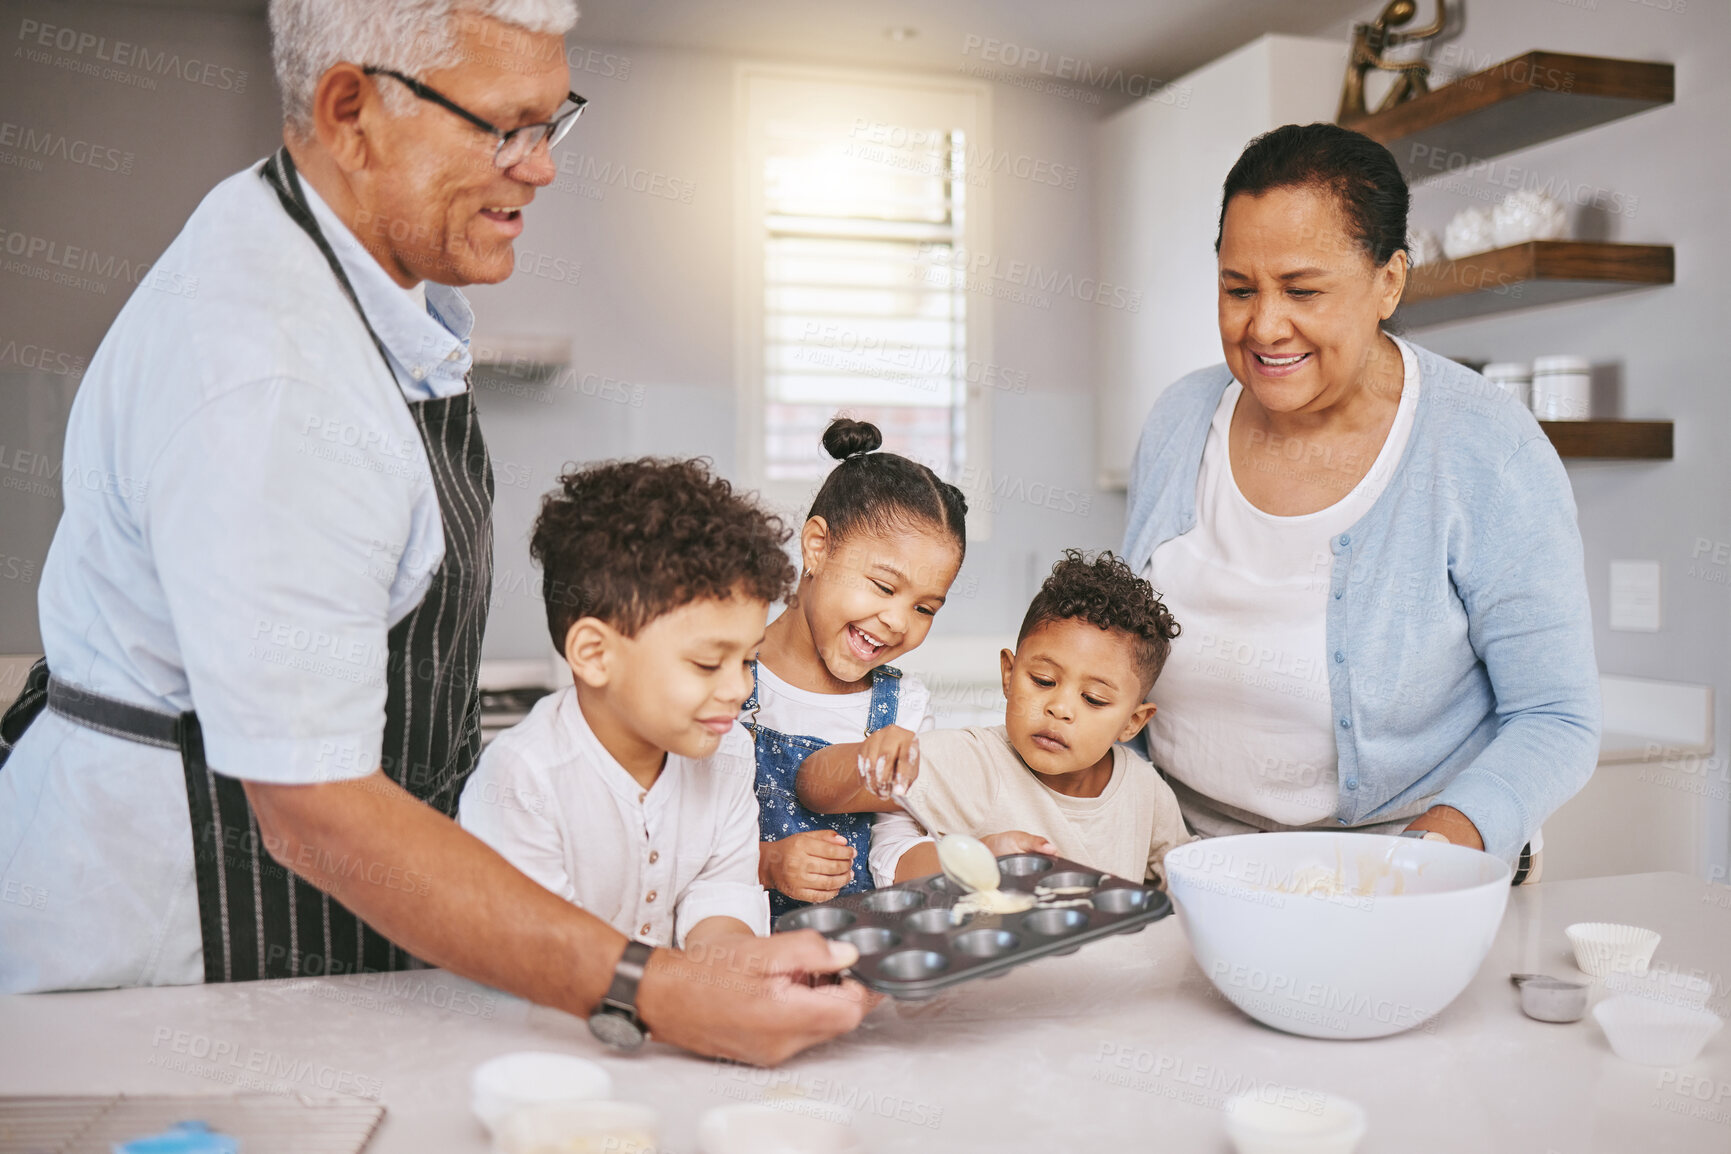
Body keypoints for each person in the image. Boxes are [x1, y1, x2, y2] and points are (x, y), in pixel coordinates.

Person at [0, 0, 869, 1065]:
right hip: (185, 934)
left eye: (554, 122)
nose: (541, 168)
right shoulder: (271, 368)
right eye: (504, 126)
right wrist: (654, 987)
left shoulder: (345, 282)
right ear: (351, 110)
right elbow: (314, 809)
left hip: (290, 914)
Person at [1122, 122, 1599, 877]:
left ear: (1388, 281)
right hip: (1183, 862)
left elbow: (1555, 718)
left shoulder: (1483, 448)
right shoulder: (1180, 418)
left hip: (1404, 871)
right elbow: (1122, 642)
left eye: (1303, 290)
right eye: (1237, 288)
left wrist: (1428, 859)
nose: (1263, 326)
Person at [459, 460, 789, 949]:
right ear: (595, 655)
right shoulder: (523, 776)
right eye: (705, 663)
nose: (739, 688)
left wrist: (734, 969)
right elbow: (549, 950)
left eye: (748, 659)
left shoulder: (730, 752)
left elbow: (721, 892)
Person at [799, 551, 1193, 888]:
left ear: (1133, 722)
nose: (1060, 708)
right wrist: (867, 758)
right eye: (1042, 681)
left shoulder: (1146, 791)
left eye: (1093, 699)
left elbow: (1181, 888)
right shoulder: (974, 763)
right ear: (1009, 673)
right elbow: (811, 785)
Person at [748, 417, 964, 918]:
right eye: (885, 587)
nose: (896, 621)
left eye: (925, 608)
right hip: (740, 952)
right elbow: (679, 840)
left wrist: (971, 861)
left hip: (857, 952)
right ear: (817, 547)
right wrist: (765, 863)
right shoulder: (726, 675)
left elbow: (894, 846)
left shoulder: (902, 708)